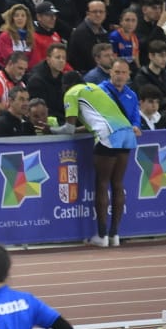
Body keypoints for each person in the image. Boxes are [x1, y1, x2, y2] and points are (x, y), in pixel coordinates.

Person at [65, 70, 139, 248]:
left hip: (108, 135)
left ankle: (102, 235)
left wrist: (50, 130)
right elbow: (93, 122)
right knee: (118, 184)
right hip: (126, 132)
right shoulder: (94, 88)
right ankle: (115, 235)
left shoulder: (71, 93)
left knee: (102, 184)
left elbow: (68, 128)